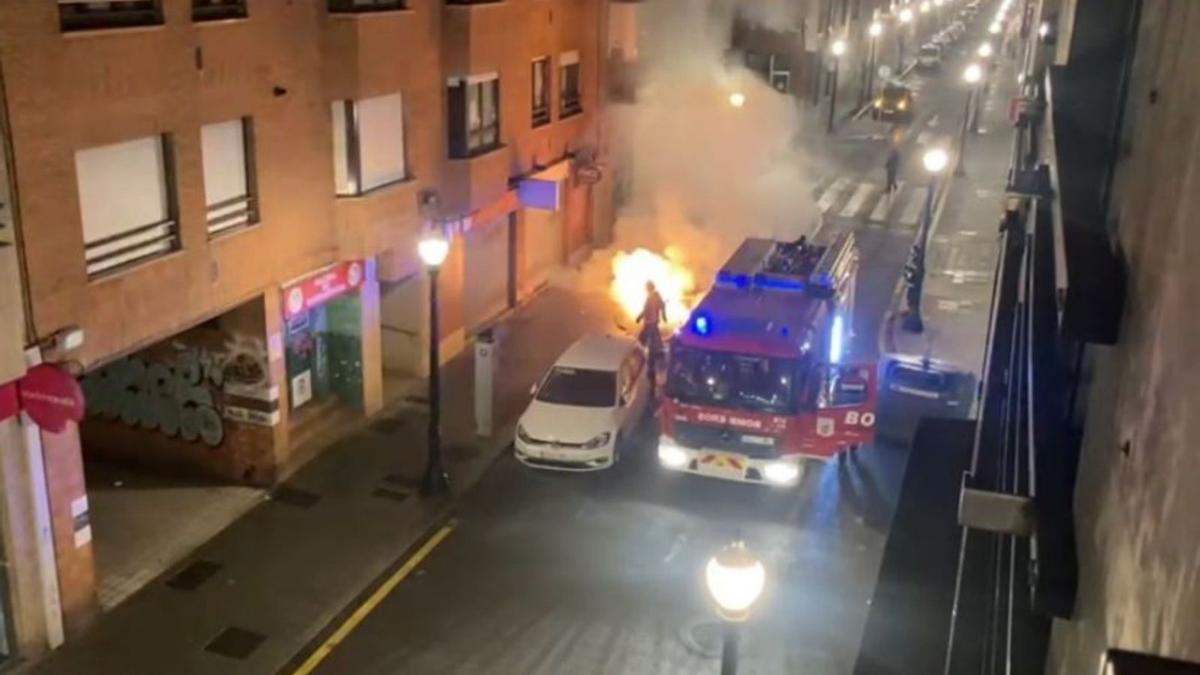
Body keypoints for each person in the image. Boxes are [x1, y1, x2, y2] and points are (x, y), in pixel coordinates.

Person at [636, 281, 666, 392]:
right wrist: (640, 317)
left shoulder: (655, 296)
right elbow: (646, 310)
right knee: (646, 339)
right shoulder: (650, 297)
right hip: (649, 322)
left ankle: (654, 354)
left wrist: (664, 316)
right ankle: (652, 353)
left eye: (647, 287)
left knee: (645, 340)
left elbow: (662, 306)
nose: (646, 289)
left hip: (651, 323)